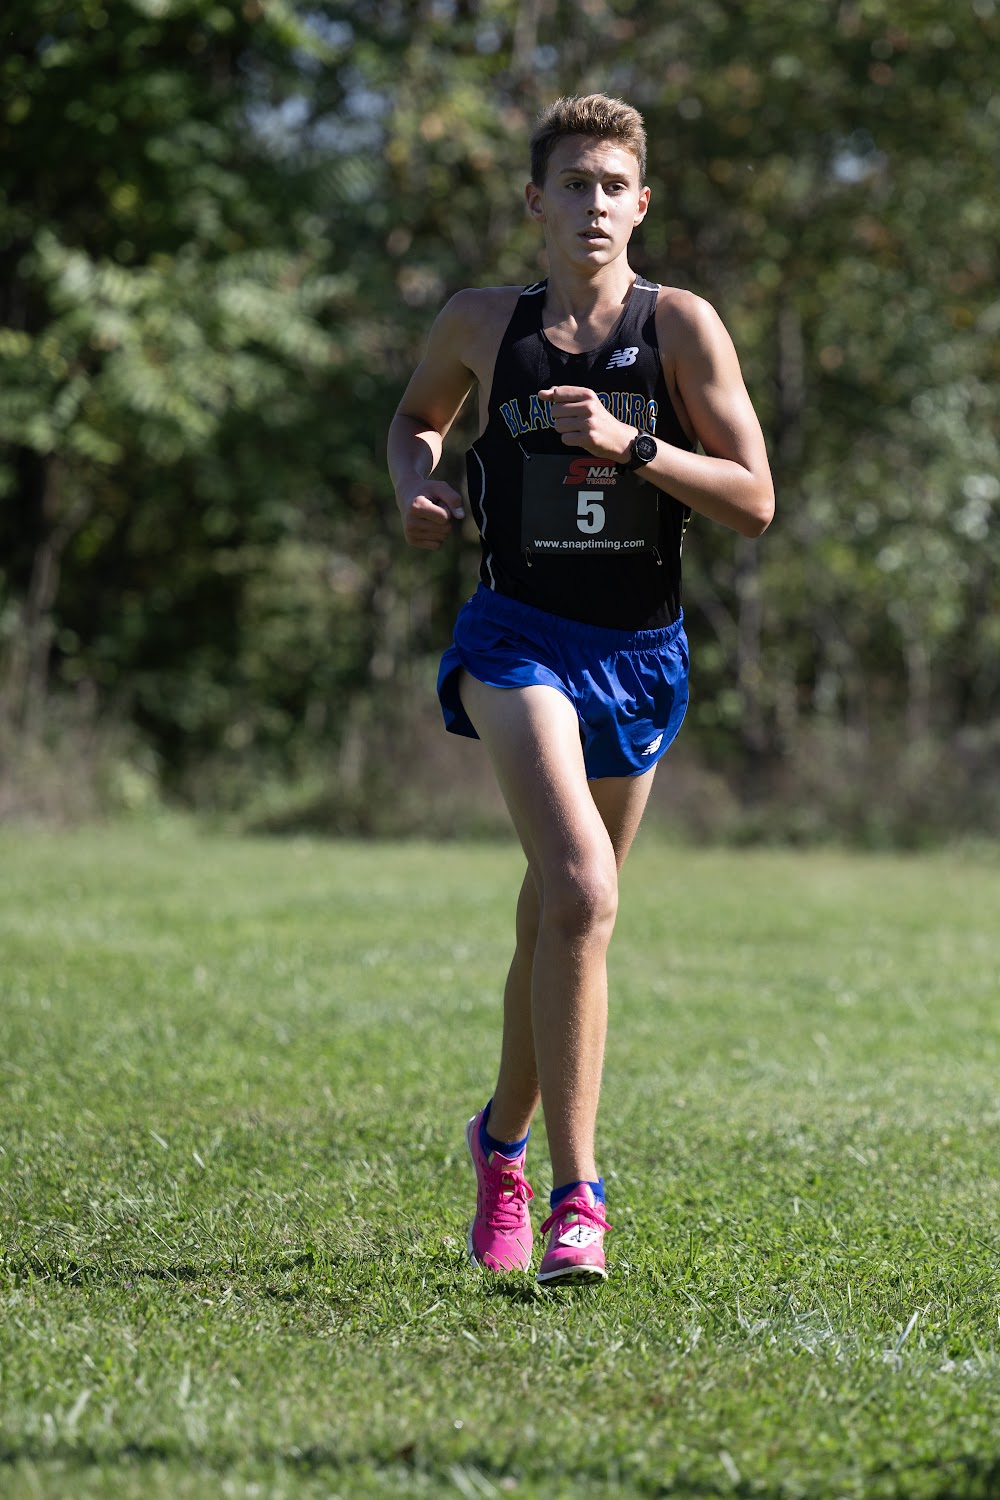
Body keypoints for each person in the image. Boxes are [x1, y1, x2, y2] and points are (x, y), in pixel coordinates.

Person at [388, 94, 774, 1284]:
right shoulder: (478, 322)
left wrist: (628, 444)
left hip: (640, 653)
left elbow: (754, 501)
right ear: (535, 202)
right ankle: (576, 1198)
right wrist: (415, 485)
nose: (593, 204)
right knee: (584, 890)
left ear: (640, 204)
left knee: (560, 916)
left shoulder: (680, 326)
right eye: (573, 184)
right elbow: (414, 420)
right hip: (516, 637)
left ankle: (497, 1143)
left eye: (613, 186)